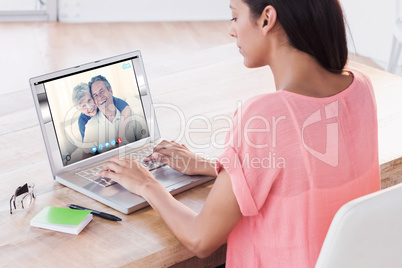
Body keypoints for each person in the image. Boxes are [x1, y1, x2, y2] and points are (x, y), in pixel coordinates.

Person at [97, 0, 381, 266]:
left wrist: (147, 183)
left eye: (235, 15)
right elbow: (300, 172)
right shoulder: (360, 87)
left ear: (267, 19)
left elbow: (201, 239)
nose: (231, 30)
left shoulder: (265, 115)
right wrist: (214, 168)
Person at [83, 75, 148, 155]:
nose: (100, 97)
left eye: (101, 91)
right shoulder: (90, 126)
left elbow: (145, 142)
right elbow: (86, 154)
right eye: (95, 95)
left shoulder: (130, 114)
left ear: (110, 91)